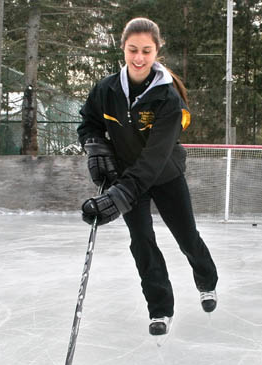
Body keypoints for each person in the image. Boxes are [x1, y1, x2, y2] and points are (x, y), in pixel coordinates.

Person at [77, 17, 218, 336]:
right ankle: (160, 308)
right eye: (132, 50)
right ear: (122, 48)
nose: (139, 58)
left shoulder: (168, 98)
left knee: (186, 237)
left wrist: (119, 196)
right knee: (141, 242)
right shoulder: (106, 89)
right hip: (127, 177)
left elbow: (155, 157)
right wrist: (95, 145)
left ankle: (206, 280)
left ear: (157, 51)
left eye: (146, 50)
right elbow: (89, 122)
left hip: (164, 175)